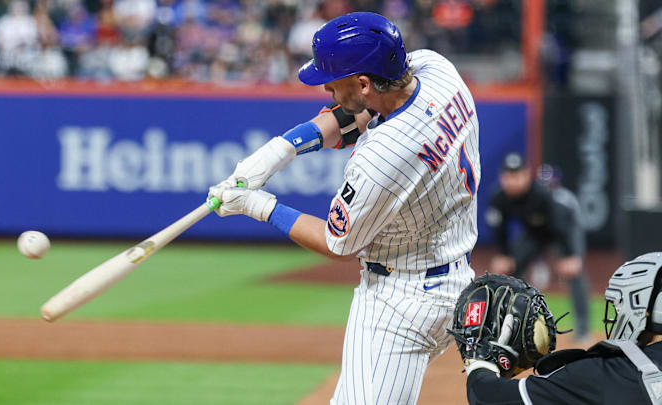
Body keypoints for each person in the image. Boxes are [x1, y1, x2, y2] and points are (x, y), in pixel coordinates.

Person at [208, 11, 480, 404]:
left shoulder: (381, 158)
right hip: (457, 283)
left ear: (363, 82)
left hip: (399, 304)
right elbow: (359, 113)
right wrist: (281, 151)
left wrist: (258, 205)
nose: (326, 89)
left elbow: (338, 244)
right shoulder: (439, 71)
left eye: (332, 81)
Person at [458, 251, 662, 405]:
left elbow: (488, 398)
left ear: (642, 306)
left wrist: (478, 359)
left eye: (619, 305)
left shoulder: (610, 373)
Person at [486, 152, 590, 341]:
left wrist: (570, 255)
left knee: (574, 272)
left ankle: (583, 330)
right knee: (510, 272)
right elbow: (499, 229)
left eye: (517, 175)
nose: (512, 180)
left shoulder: (541, 194)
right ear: (502, 177)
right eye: (508, 175)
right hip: (535, 233)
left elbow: (560, 225)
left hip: (565, 230)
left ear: (526, 175)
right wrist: (504, 254)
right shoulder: (499, 197)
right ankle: (510, 326)